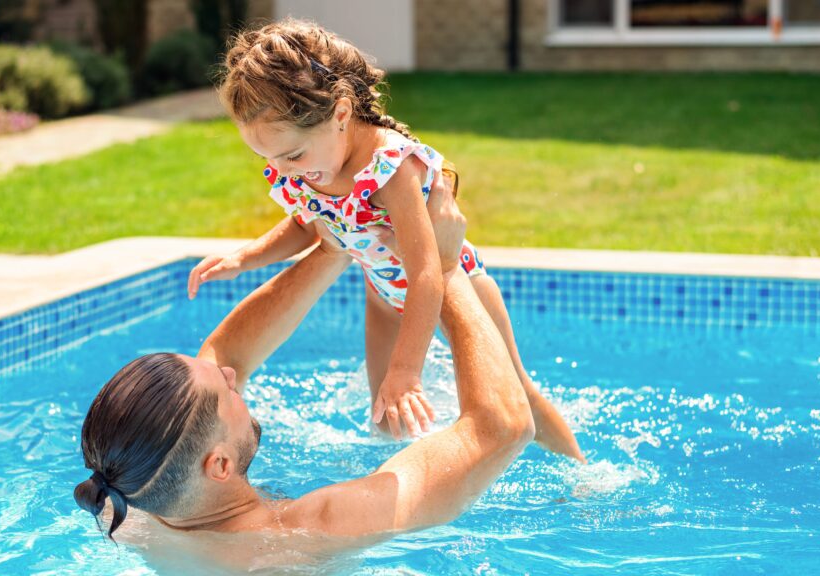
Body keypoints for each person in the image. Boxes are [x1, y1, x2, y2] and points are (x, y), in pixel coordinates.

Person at [74, 178, 545, 571]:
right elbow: (503, 426)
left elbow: (218, 362)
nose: (233, 374)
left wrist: (337, 243)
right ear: (218, 465)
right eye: (226, 389)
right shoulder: (320, 525)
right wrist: (446, 267)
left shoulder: (128, 508)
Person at [186, 19, 582, 461]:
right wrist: (246, 257)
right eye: (268, 159)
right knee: (384, 414)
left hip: (457, 287)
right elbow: (306, 224)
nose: (284, 170)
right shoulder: (312, 165)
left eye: (292, 155)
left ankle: (580, 470)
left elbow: (429, 272)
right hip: (383, 295)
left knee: (514, 387)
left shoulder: (387, 166)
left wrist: (406, 370)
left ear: (339, 113)